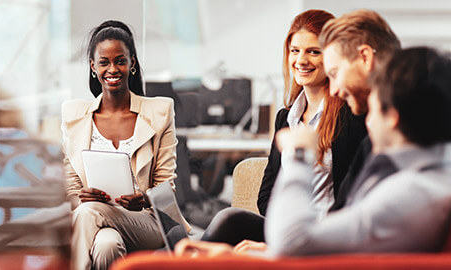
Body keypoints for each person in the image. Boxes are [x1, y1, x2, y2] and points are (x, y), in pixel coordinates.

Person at [175, 46, 451, 257]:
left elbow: (294, 241)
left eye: (374, 107)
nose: (367, 118)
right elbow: (338, 249)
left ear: (393, 116)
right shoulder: (421, 176)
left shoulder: (408, 191)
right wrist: (241, 258)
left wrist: (299, 156)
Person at [200, 9, 367, 246]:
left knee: (225, 225)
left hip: (328, 232)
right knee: (229, 219)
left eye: (313, 52)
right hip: (288, 228)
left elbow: (355, 195)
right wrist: (283, 232)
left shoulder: (351, 116)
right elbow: (267, 193)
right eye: (295, 51)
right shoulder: (286, 117)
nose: (301, 60)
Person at [61, 20, 185, 270]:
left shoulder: (159, 111)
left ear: (133, 64)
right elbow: (71, 186)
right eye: (104, 62)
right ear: (93, 66)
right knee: (107, 245)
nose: (112, 69)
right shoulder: (74, 115)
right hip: (96, 219)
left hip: (146, 221)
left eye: (120, 60)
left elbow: (166, 188)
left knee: (88, 213)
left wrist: (144, 198)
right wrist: (80, 197)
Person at [318, 9, 401, 211]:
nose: (333, 90)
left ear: (365, 57)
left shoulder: (408, 135)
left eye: (335, 74)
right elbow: (340, 214)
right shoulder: (370, 142)